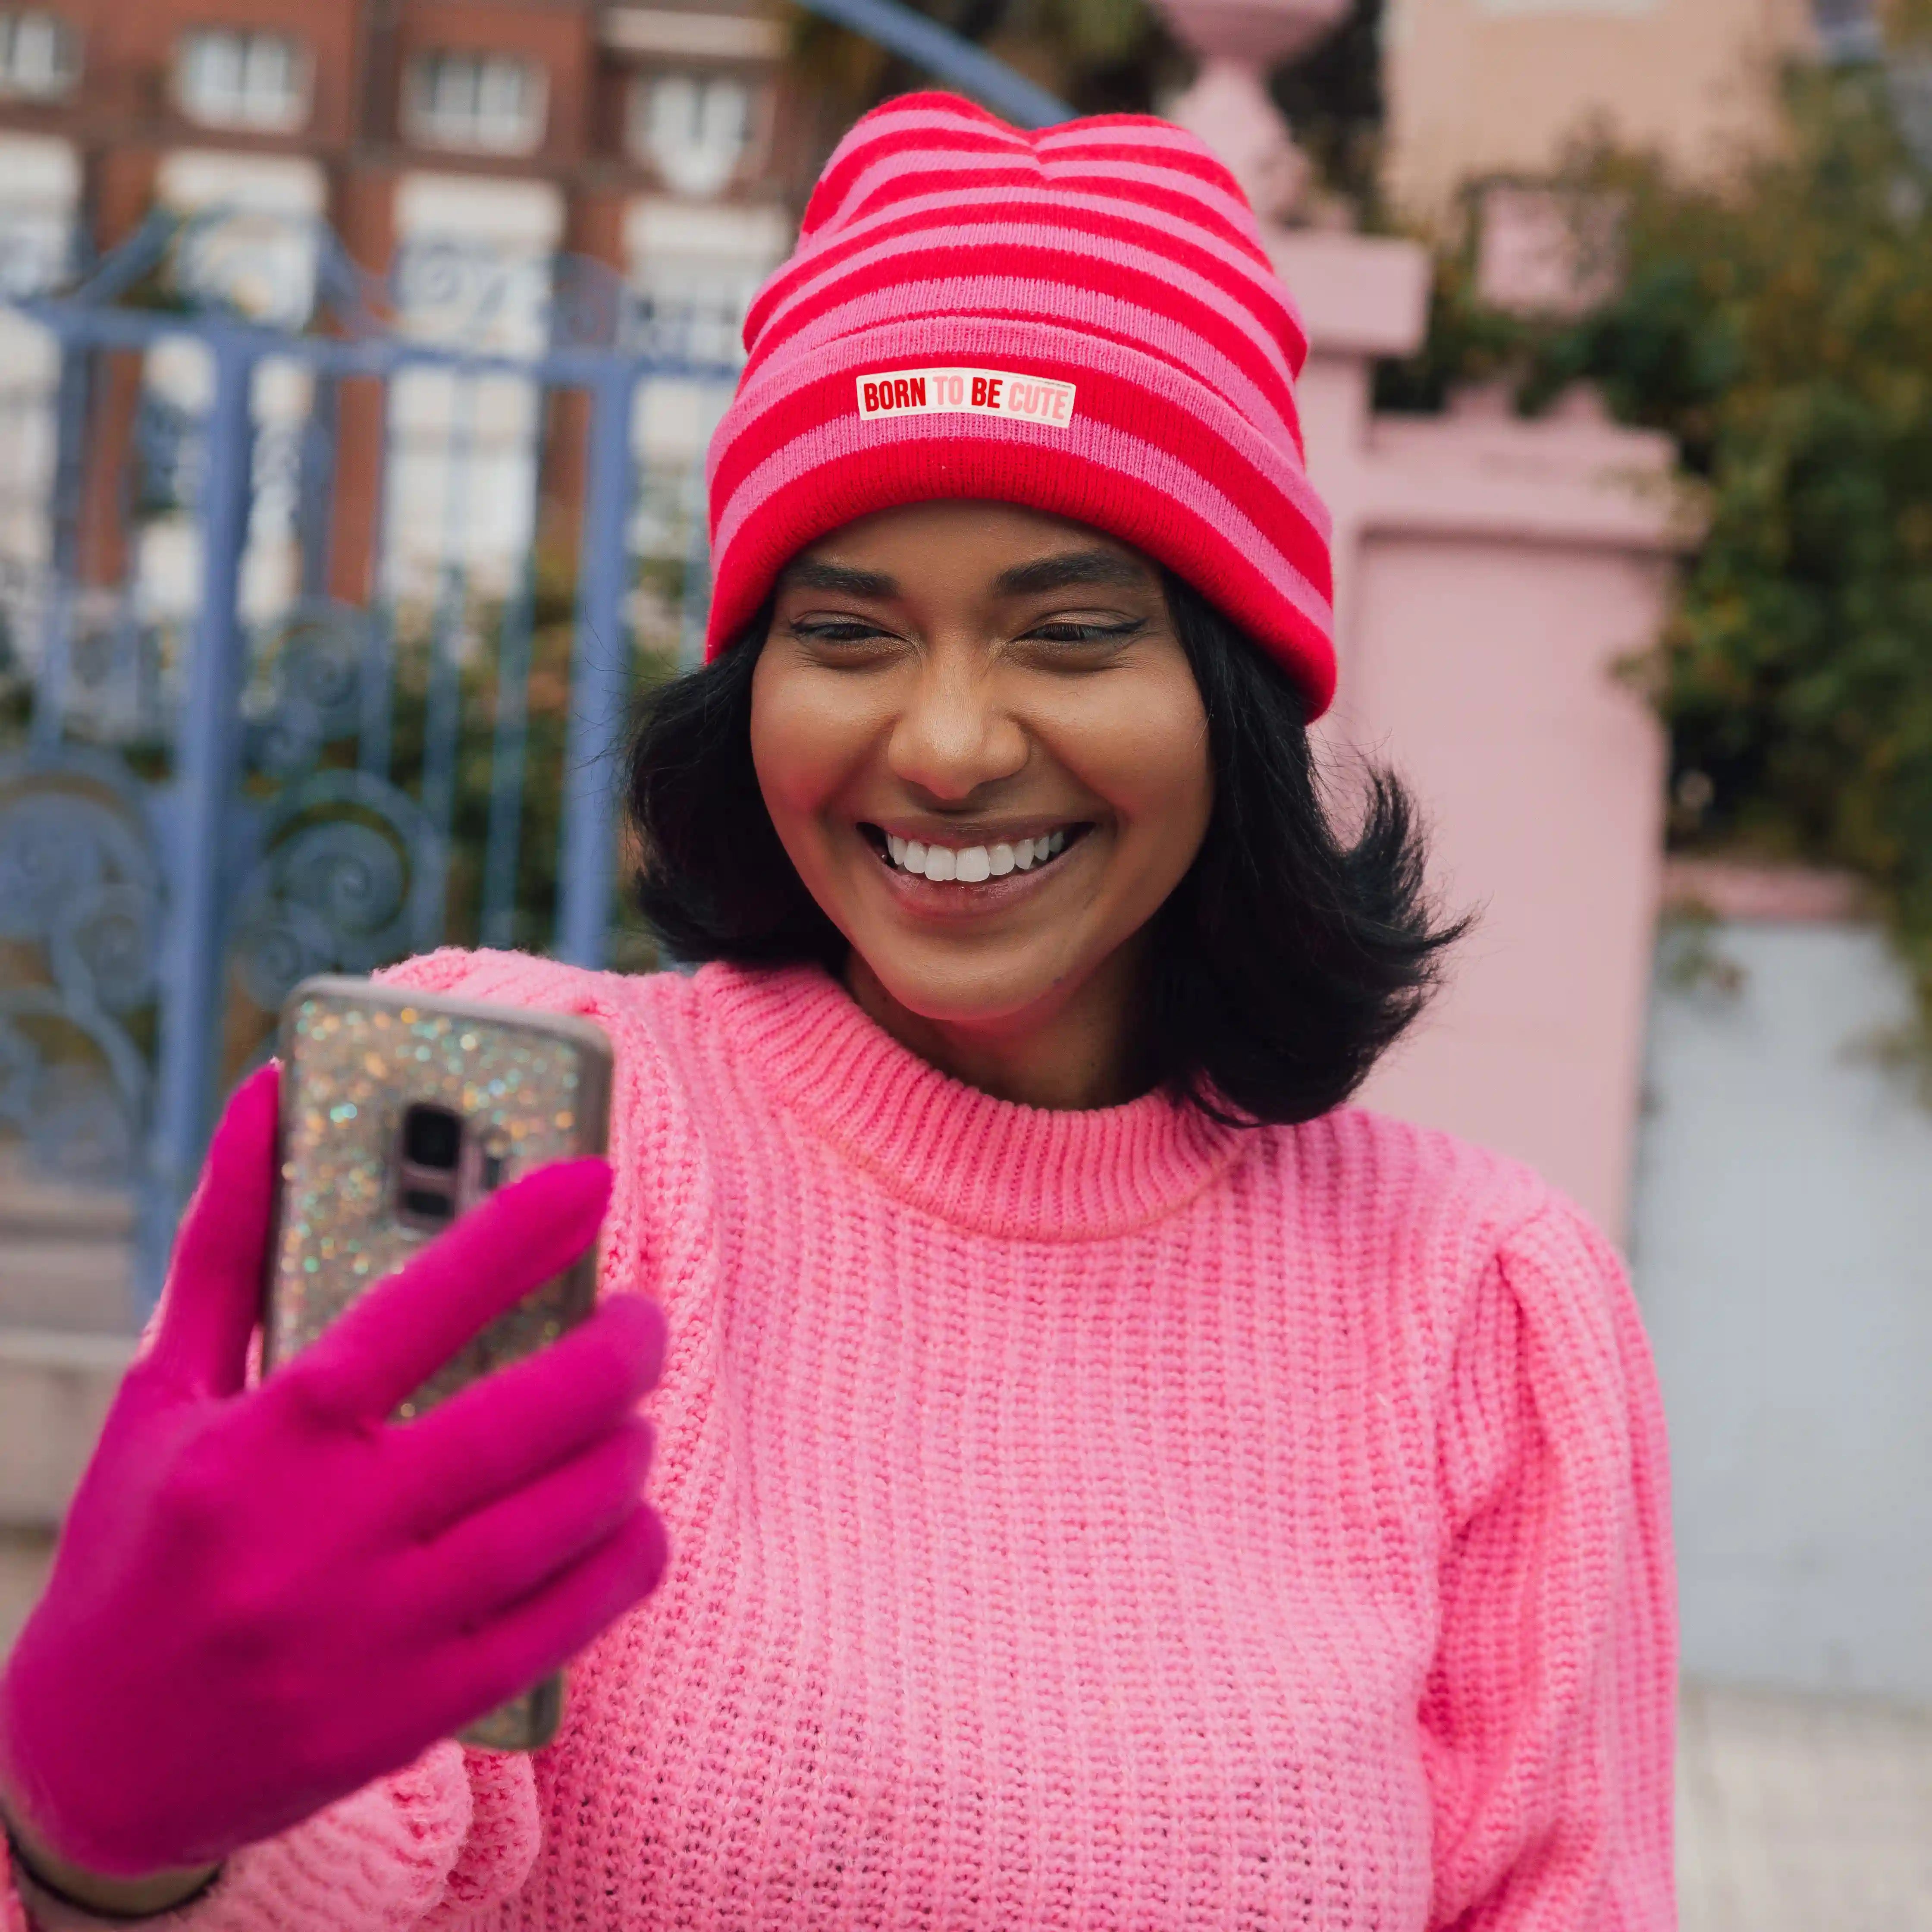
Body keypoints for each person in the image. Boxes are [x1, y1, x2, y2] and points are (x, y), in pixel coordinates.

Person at [0, 93, 1678, 1931]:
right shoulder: (539, 1149)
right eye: (851, 632)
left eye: (1070, 630)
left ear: (1234, 696)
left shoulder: (1481, 1312)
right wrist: (101, 1845)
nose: (946, 747)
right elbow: (337, 1853)